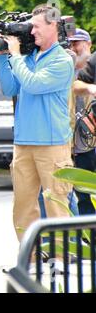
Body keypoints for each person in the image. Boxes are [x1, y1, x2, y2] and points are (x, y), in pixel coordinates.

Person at [0, 4, 74, 242]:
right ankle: (29, 260)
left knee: (56, 205)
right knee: (23, 208)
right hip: (23, 143)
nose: (31, 32)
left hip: (52, 145)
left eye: (36, 27)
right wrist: (2, 59)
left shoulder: (62, 60)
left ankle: (60, 260)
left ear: (53, 26)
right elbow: (10, 88)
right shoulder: (29, 57)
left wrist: (16, 56)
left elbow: (33, 84)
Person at [73, 31, 96, 216]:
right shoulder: (69, 72)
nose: (73, 47)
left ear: (88, 43)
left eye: (77, 43)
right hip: (83, 146)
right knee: (84, 195)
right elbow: (76, 86)